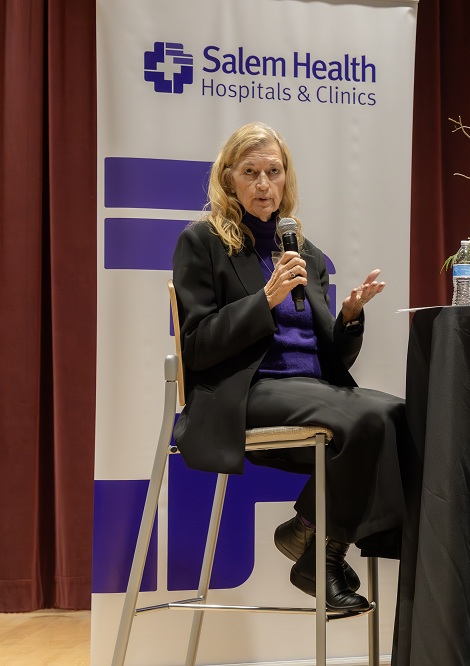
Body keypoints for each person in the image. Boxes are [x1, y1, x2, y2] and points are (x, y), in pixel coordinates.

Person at [171, 121, 411, 612]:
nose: (264, 184)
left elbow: (332, 359)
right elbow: (197, 346)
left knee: (403, 415)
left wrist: (349, 318)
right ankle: (319, 557)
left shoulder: (305, 253)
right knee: (367, 419)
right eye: (250, 172)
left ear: (287, 178)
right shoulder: (203, 243)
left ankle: (307, 533)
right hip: (247, 390)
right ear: (228, 178)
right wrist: (264, 299)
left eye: (273, 172)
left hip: (310, 388)